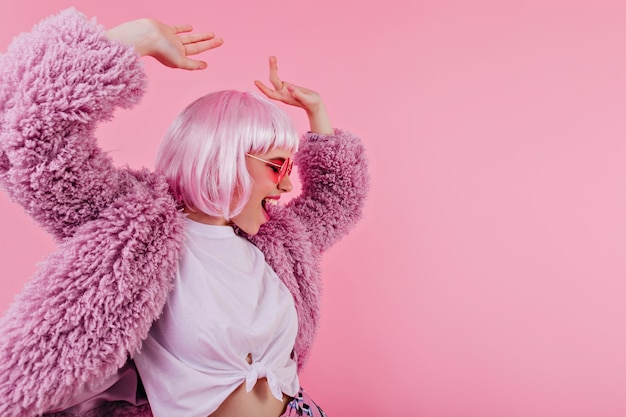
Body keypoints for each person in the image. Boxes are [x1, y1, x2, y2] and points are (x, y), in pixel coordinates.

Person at [0, 7, 368, 417]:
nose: (286, 184)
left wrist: (317, 111)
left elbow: (337, 200)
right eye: (277, 165)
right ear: (223, 158)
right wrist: (133, 38)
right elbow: (36, 135)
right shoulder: (133, 229)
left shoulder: (274, 243)